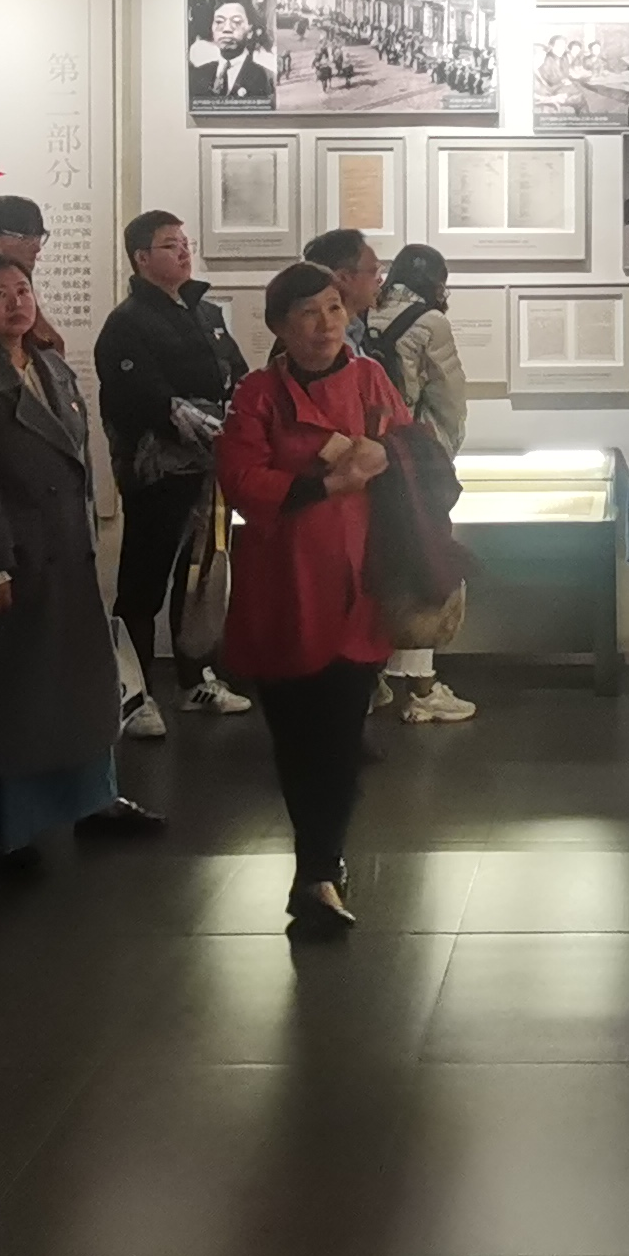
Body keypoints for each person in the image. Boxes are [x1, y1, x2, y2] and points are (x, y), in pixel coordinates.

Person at [0, 254, 164, 867]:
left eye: (22, 290)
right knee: (17, 697)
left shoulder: (50, 365)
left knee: (79, 690)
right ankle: (6, 829)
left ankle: (93, 798)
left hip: (66, 552)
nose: (15, 303)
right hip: (16, 558)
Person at [215, 260, 413, 939]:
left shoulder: (371, 379)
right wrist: (327, 485)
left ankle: (318, 868)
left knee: (340, 734)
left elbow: (416, 453)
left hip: (359, 585)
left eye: (333, 308)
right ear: (279, 326)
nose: (326, 324)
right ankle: (318, 858)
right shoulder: (256, 394)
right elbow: (241, 480)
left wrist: (386, 458)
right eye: (307, 313)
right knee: (296, 737)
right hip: (282, 586)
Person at [95, 209, 255, 733]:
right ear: (141, 258)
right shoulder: (126, 323)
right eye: (170, 244)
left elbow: (236, 373)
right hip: (159, 471)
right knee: (144, 583)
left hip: (211, 468)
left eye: (185, 242)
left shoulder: (205, 312)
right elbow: (143, 397)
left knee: (200, 575)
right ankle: (134, 691)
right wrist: (197, 418)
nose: (184, 251)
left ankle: (196, 678)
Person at [371, 244, 477, 725]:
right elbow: (449, 398)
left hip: (369, 458)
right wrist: (445, 451)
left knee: (375, 567)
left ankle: (372, 677)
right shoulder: (430, 321)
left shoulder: (365, 314)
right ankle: (421, 688)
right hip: (413, 458)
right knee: (424, 568)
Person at [0, 191, 66, 353]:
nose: (37, 247)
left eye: (39, 237)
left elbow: (51, 343)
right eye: (25, 238)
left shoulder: (26, 284)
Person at [303, 224, 386, 352]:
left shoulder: (353, 329)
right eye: (374, 271)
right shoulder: (322, 343)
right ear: (343, 278)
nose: (380, 280)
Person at [192, 0, 277, 106]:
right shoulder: (198, 75)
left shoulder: (266, 79)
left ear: (250, 31)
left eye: (236, 22)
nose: (227, 29)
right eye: (219, 21)